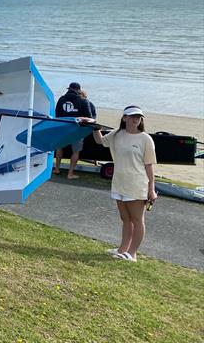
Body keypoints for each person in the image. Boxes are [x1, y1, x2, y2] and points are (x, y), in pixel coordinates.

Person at [88, 106, 157, 262]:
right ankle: (122, 249)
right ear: (124, 118)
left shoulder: (145, 139)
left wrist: (151, 189)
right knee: (125, 219)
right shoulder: (117, 134)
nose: (136, 119)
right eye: (132, 116)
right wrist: (95, 126)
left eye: (138, 117)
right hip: (119, 183)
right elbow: (100, 141)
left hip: (137, 184)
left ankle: (132, 254)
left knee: (137, 220)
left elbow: (149, 165)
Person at [53, 82, 94, 179]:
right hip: (77, 130)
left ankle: (57, 169)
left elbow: (57, 115)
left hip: (62, 128)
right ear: (79, 90)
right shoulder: (84, 101)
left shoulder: (61, 99)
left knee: (59, 148)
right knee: (75, 151)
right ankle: (70, 174)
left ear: (69, 89)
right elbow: (90, 118)